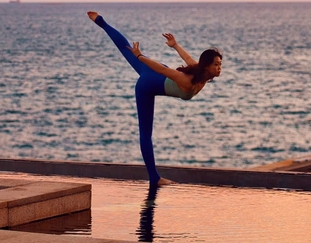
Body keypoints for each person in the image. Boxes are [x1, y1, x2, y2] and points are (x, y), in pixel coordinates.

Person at [87, 11, 222, 187]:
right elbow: (164, 70)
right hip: (147, 85)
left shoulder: (199, 72)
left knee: (127, 50)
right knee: (145, 134)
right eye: (216, 64)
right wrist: (140, 57)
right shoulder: (188, 81)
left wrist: (175, 45)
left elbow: (187, 58)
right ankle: (154, 178)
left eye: (220, 64)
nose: (219, 68)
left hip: (155, 74)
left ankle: (100, 21)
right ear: (207, 66)